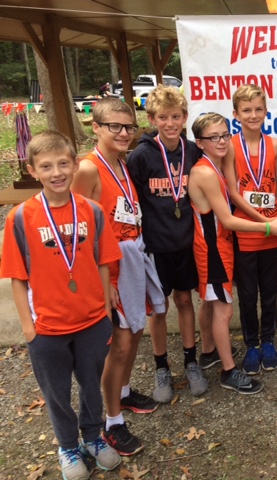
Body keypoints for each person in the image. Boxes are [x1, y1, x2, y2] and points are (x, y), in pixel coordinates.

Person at [1, 131, 123, 480]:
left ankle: (92, 437)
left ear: (74, 165)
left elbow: (102, 262)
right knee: (56, 393)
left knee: (91, 385)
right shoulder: (21, 218)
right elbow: (17, 276)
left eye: (63, 164)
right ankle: (67, 445)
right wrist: (28, 326)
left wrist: (105, 311)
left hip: (90, 321)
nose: (57, 172)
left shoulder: (92, 211)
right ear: (33, 170)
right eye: (46, 166)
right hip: (47, 327)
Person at [72, 98, 163, 456]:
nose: (124, 132)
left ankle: (122, 393)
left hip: (133, 254)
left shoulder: (122, 164)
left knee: (137, 329)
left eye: (129, 126)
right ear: (96, 127)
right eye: (115, 126)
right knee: (120, 343)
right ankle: (111, 423)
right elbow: (78, 231)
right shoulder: (88, 169)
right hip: (110, 265)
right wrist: (102, 279)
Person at [189, 113, 277, 393]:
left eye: (224, 134)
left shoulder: (215, 165)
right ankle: (229, 371)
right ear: (200, 142)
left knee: (212, 303)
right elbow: (228, 220)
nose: (222, 141)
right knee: (224, 310)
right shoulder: (207, 172)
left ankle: (210, 352)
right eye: (214, 137)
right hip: (213, 250)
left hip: (219, 247)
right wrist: (269, 227)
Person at [127, 85, 209, 403]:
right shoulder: (141, 156)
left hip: (186, 243)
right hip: (156, 246)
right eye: (163, 117)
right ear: (152, 119)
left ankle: (191, 361)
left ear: (185, 118)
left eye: (176, 117)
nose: (170, 123)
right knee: (158, 310)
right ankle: (161, 365)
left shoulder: (193, 152)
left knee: (186, 302)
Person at [223, 84, 277, 376]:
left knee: (270, 291)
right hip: (248, 230)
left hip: (273, 231)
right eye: (247, 110)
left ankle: (269, 340)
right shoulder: (230, 147)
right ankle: (251, 344)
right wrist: (263, 221)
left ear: (266, 112)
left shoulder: (275, 145)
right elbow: (234, 193)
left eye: (259, 109)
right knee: (248, 293)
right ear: (236, 114)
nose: (253, 115)